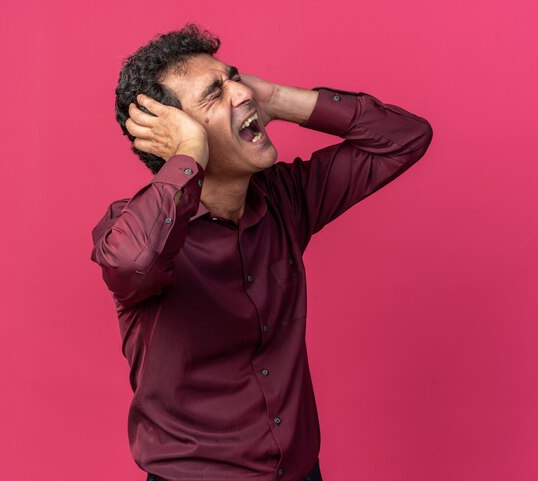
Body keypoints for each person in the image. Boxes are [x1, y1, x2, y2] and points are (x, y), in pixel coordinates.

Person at [90, 22, 433, 481]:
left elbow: (405, 138)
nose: (240, 93)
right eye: (215, 94)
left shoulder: (285, 199)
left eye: (236, 78)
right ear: (169, 133)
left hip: (299, 471)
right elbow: (134, 264)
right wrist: (190, 153)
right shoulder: (129, 230)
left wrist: (274, 97)